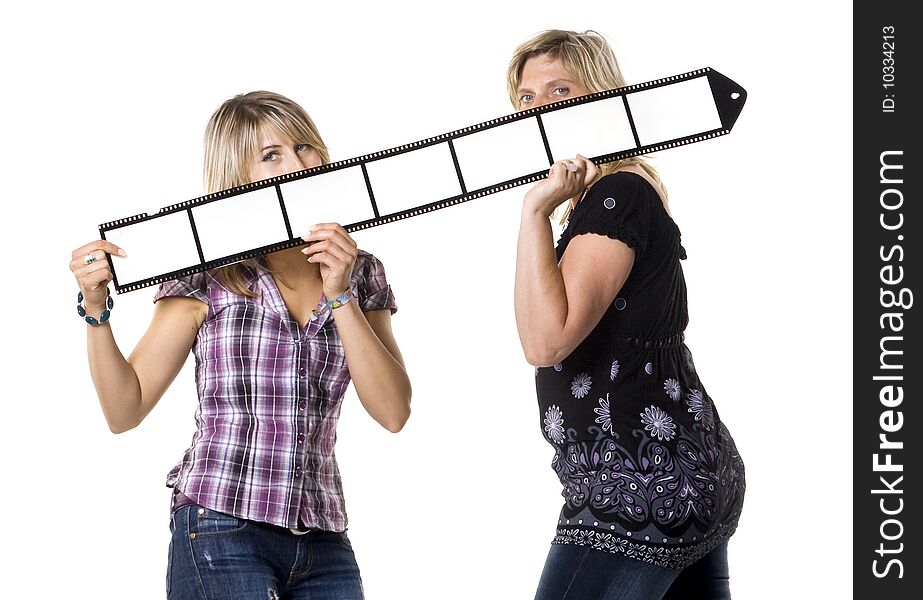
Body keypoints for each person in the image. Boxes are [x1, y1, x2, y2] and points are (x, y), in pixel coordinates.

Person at [69, 91, 411, 600]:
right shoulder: (209, 273)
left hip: (324, 540)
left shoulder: (361, 270)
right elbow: (124, 409)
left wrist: (340, 295)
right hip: (221, 525)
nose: (298, 164)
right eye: (271, 155)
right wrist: (95, 309)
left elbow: (393, 411)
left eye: (304, 147)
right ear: (236, 180)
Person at [510, 30, 745, 599]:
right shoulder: (613, 196)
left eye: (559, 90)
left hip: (637, 493)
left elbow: (546, 342)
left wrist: (532, 212)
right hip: (685, 476)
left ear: (604, 98)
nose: (539, 110)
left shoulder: (616, 197)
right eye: (524, 99)